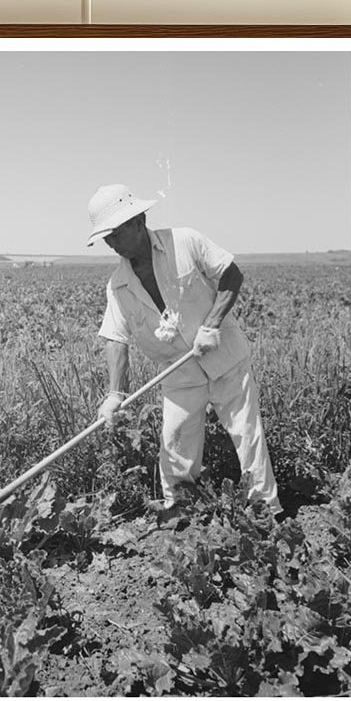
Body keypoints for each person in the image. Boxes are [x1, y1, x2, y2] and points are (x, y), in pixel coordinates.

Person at [89, 183, 282, 513]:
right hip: (178, 372)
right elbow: (116, 338)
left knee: (247, 435)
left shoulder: (185, 242)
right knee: (175, 442)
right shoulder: (118, 285)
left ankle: (266, 512)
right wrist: (114, 395)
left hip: (224, 358)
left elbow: (231, 276)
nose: (111, 244)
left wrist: (211, 325)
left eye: (115, 234)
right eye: (106, 237)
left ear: (138, 220)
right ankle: (181, 512)